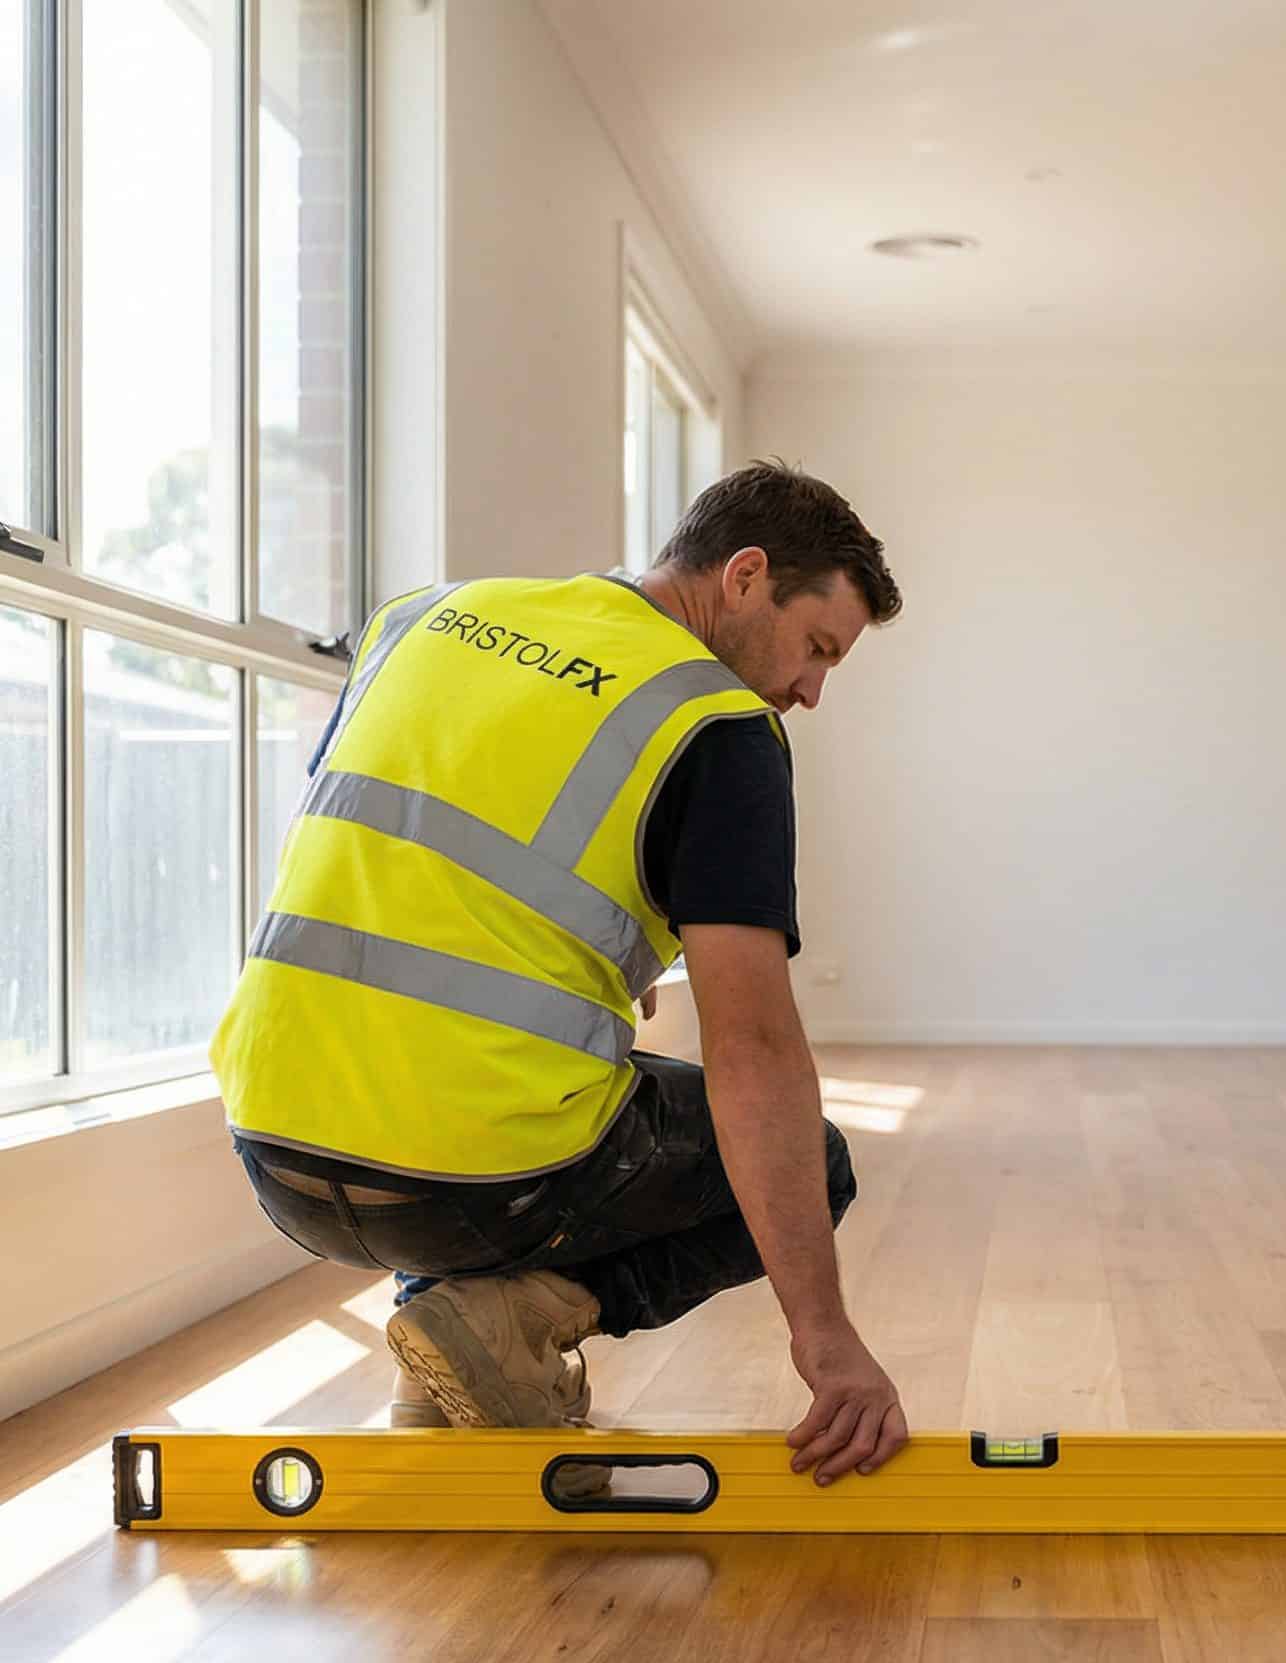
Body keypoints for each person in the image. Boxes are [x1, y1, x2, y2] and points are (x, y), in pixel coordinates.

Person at [209, 461, 911, 1487]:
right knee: (816, 1158)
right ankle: (507, 1319)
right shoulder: (719, 725)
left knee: (487, 1087)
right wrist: (825, 1335)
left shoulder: (423, 618)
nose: (811, 689)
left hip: (271, 1150)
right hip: (465, 1184)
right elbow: (755, 1049)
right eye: (818, 647)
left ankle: (448, 1356)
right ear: (745, 575)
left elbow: (394, 853)